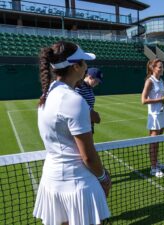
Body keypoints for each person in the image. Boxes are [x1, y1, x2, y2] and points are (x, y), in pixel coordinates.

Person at [33, 41, 111, 225]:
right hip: (77, 184)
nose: (86, 67)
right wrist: (103, 177)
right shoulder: (74, 100)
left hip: (52, 180)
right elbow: (88, 156)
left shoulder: (48, 93)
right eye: (84, 63)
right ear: (76, 66)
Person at [141, 58, 164, 178]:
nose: (162, 69)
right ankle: (153, 168)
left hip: (162, 113)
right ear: (153, 68)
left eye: (162, 67)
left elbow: (162, 96)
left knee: (157, 142)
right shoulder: (150, 81)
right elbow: (143, 100)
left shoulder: (161, 80)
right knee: (153, 143)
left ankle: (156, 163)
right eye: (160, 67)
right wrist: (161, 99)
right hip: (154, 116)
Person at [75, 67, 103, 134]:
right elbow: (78, 103)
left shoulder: (89, 87)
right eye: (96, 81)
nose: (97, 83)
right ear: (90, 77)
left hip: (88, 122)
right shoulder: (80, 86)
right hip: (81, 124)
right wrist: (93, 114)